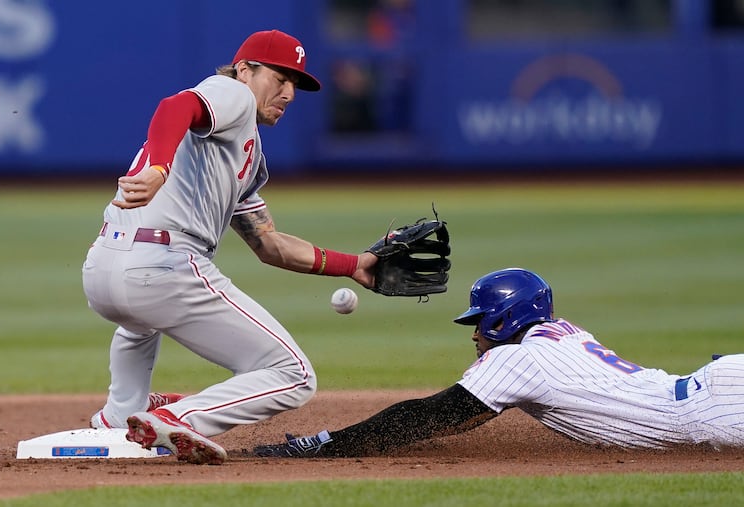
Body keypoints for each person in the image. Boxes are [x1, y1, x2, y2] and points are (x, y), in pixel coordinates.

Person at [81, 29, 378, 465]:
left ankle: (120, 414)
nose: (289, 93)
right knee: (293, 376)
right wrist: (160, 168)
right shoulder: (233, 95)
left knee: (140, 322)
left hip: (104, 268)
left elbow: (269, 244)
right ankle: (183, 418)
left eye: (296, 84)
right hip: (162, 267)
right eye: (280, 77)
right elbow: (175, 106)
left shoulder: (243, 150)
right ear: (245, 69)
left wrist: (353, 265)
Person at [253, 268, 744, 457]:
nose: (476, 333)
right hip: (716, 385)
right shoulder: (563, 333)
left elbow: (430, 416)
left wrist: (325, 443)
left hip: (714, 410)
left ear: (508, 318)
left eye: (482, 320)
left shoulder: (517, 359)